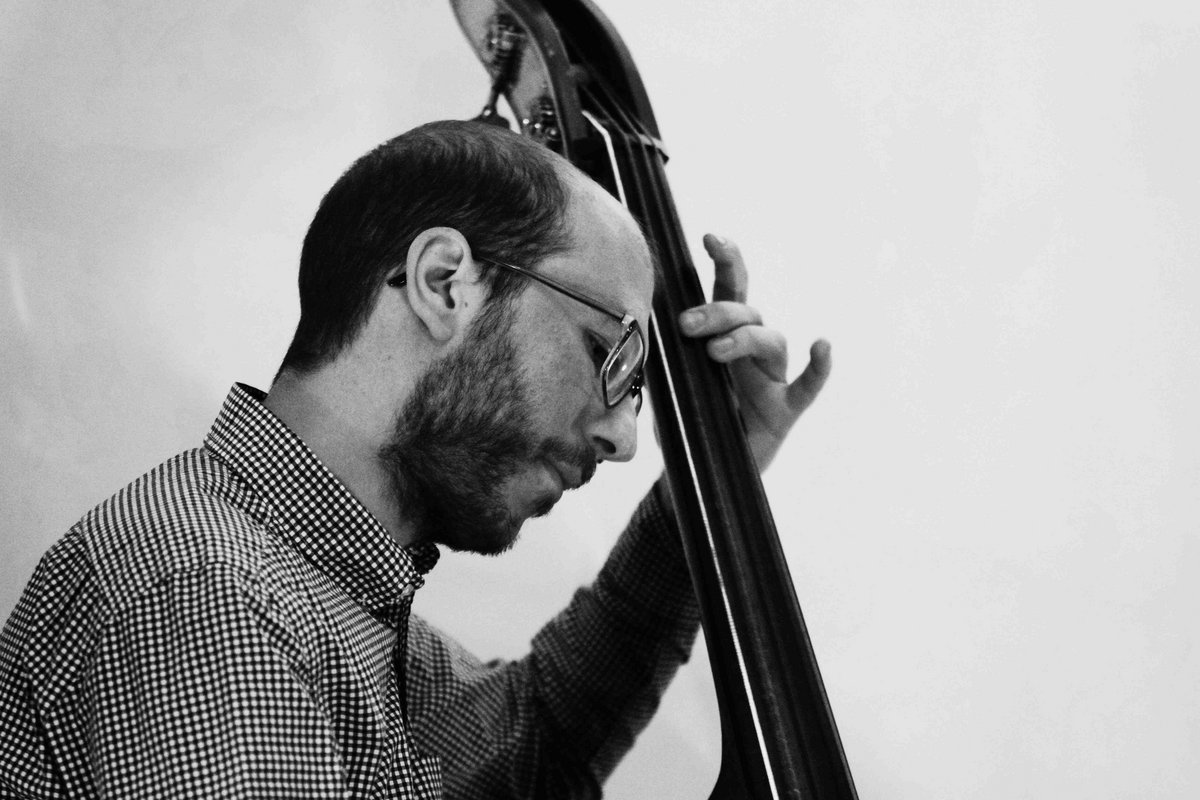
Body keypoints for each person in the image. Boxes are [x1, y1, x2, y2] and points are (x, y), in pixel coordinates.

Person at [0, 120, 831, 798]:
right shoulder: (214, 598)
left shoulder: (324, 597)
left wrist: (711, 489)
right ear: (443, 283)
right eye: (610, 357)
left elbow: (535, 746)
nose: (624, 439)